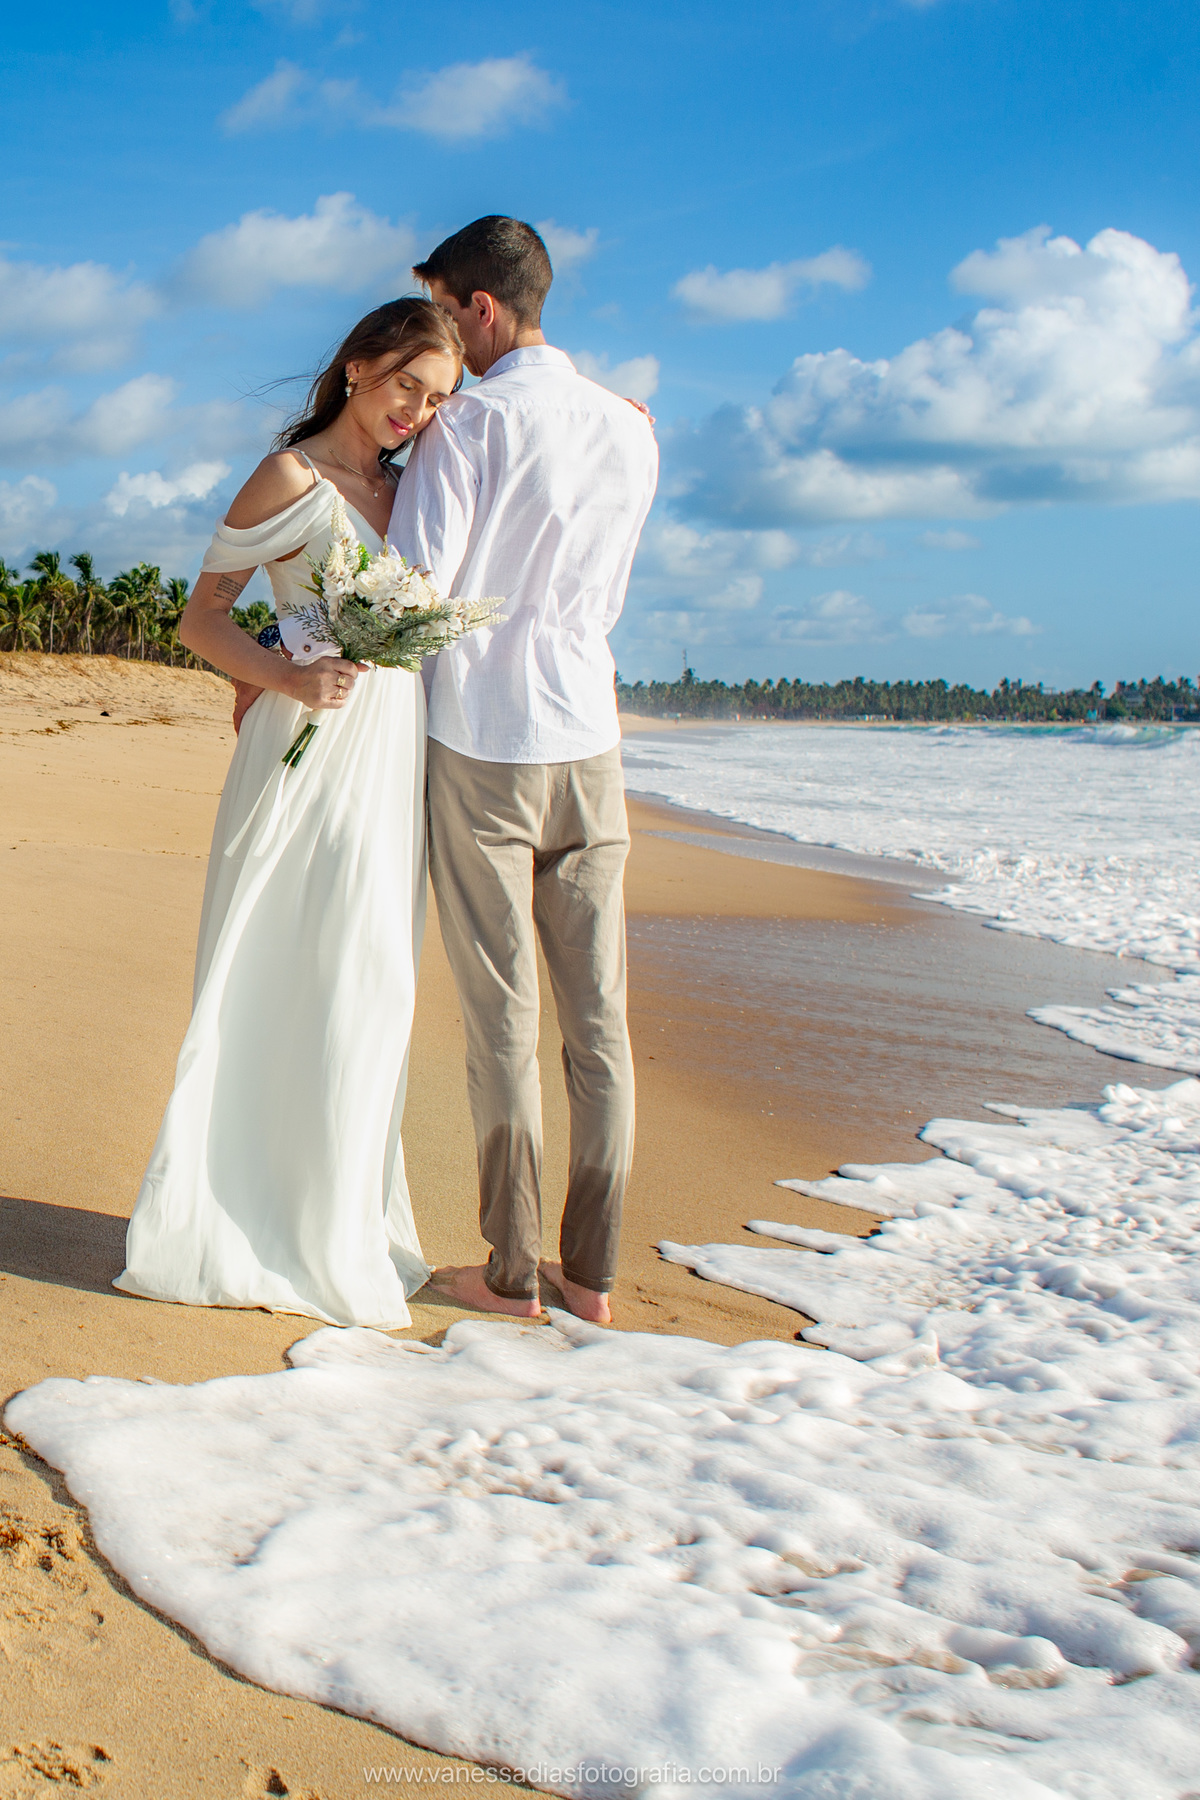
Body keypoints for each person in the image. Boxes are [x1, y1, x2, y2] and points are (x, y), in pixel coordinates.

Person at [115, 298, 464, 1328]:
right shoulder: (291, 478)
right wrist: (285, 676)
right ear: (358, 367)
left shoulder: (418, 488)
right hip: (305, 746)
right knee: (277, 963)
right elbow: (201, 616)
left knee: (369, 979)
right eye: (408, 384)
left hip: (391, 753)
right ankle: (235, 1221)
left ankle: (336, 1223)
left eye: (439, 399)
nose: (419, 412)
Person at [390, 216, 659, 1326]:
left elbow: (414, 589)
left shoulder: (470, 427)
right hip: (590, 739)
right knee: (599, 1021)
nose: (436, 336)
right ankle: (588, 1278)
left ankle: (511, 1278)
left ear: (480, 309)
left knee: (500, 1018)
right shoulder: (631, 429)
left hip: (488, 741)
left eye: (442, 311)